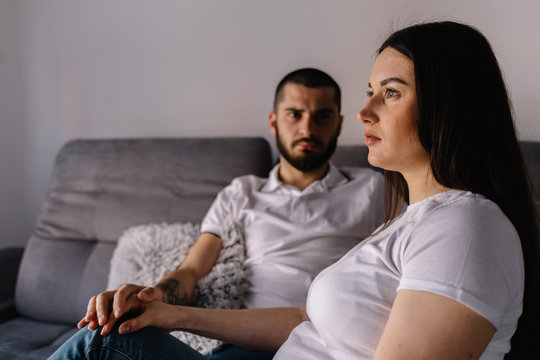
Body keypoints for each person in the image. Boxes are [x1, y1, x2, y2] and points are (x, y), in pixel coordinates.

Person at [49, 21, 540, 360]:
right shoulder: (409, 219)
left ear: (450, 106)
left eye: (389, 93)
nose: (368, 112)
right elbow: (309, 321)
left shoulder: (465, 225)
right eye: (370, 92)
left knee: (100, 348)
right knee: (108, 337)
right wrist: (167, 313)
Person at [50, 68, 384, 359]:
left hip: (322, 347)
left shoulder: (371, 189)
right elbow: (193, 269)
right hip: (241, 346)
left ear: (339, 124)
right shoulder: (242, 193)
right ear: (273, 121)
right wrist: (151, 296)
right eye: (294, 114)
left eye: (322, 116)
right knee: (101, 340)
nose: (307, 128)